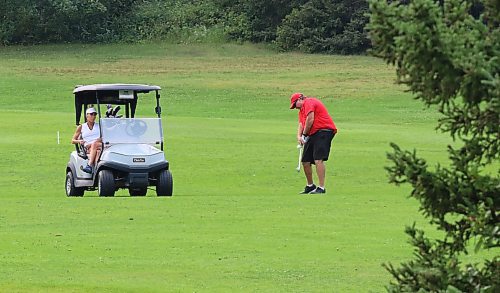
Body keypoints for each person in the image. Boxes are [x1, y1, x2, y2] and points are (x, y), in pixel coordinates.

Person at [290, 93, 337, 194]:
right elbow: (301, 123)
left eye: (295, 104)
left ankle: (321, 187)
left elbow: (310, 119)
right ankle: (310, 186)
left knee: (318, 159)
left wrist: (304, 135)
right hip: (313, 133)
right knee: (305, 161)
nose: (295, 108)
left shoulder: (308, 102)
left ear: (300, 99)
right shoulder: (301, 111)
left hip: (324, 131)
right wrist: (299, 136)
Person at [71, 107, 102, 174]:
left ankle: (89, 166)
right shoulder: (81, 127)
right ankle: (98, 172)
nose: (93, 116)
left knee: (95, 144)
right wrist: (79, 141)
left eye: (95, 114)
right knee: (98, 152)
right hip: (89, 148)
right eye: (91, 114)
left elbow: (104, 137)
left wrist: (95, 142)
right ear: (87, 116)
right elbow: (73, 140)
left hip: (98, 144)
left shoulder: (99, 126)